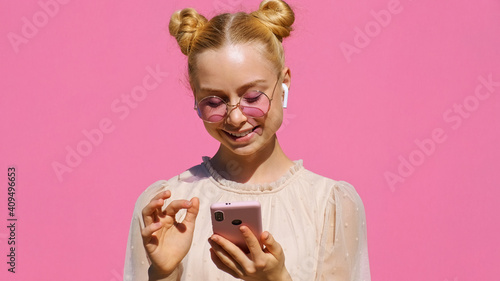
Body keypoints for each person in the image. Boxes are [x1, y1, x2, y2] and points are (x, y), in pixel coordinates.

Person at [124, 0, 371, 280]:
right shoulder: (167, 205)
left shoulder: (330, 205)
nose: (236, 118)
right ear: (195, 96)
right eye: (214, 101)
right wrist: (163, 272)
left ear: (284, 83)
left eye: (252, 97)